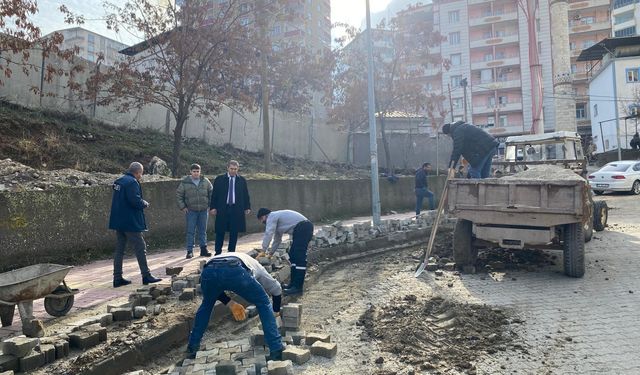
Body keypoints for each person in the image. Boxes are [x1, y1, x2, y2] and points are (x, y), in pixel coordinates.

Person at [187, 252, 284, 360]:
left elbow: (215, 289)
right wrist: (275, 310)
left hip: (208, 270)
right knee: (264, 303)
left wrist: (230, 303)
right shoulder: (258, 266)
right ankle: (276, 349)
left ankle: (192, 346)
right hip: (235, 270)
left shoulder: (236, 256)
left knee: (207, 304)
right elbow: (276, 288)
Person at [108, 162, 162, 288]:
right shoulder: (132, 182)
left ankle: (117, 278)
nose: (141, 176)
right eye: (141, 174)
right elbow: (134, 200)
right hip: (130, 221)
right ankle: (146, 275)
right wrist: (144, 203)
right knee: (140, 247)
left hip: (118, 220)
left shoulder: (119, 181)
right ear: (138, 172)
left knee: (119, 250)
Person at [256, 208, 314, 296]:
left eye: (261, 220)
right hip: (301, 229)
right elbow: (277, 240)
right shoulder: (277, 221)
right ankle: (293, 285)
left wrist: (264, 250)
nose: (262, 222)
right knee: (293, 255)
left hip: (303, 228)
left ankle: (298, 287)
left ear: (264, 216)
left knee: (299, 257)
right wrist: (270, 253)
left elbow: (268, 233)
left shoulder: (272, 216)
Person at [209, 160, 251, 255]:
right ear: (227, 168)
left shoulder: (242, 180)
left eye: (235, 169)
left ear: (238, 169)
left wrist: (247, 207)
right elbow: (214, 195)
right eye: (231, 169)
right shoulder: (219, 179)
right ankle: (218, 252)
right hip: (222, 208)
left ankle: (231, 252)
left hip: (236, 208)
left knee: (234, 231)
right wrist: (213, 207)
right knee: (220, 230)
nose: (233, 171)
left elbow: (245, 195)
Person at [176, 164, 213, 259]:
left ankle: (203, 249)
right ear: (190, 172)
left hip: (203, 210)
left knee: (202, 230)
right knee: (190, 231)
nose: (196, 173)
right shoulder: (185, 182)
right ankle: (189, 251)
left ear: (200, 172)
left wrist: (210, 205)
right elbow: (179, 195)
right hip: (191, 211)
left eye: (197, 171)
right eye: (194, 171)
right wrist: (183, 207)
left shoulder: (205, 181)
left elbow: (211, 193)